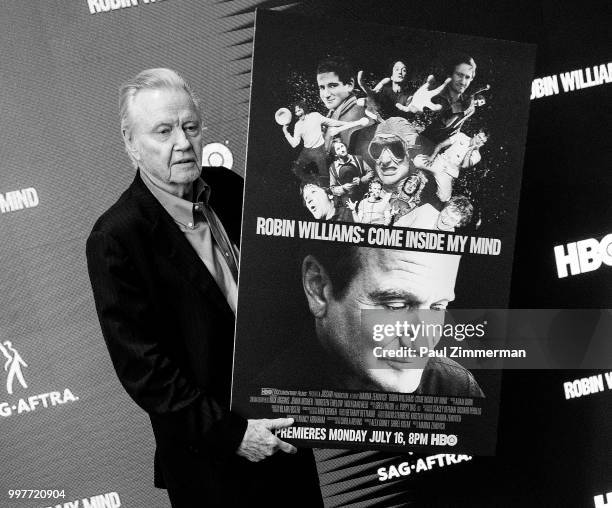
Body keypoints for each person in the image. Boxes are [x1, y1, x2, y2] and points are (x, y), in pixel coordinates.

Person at [86, 68, 322, 508]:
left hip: (284, 439)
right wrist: (234, 435)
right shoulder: (116, 238)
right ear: (130, 142)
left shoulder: (231, 189)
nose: (182, 142)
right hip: (211, 465)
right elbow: (146, 371)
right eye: (163, 130)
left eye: (190, 127)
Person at [260, 245, 483, 397]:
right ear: (317, 288)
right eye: (396, 306)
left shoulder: (456, 387)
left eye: (437, 307)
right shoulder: (267, 396)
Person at [282, 101, 366, 182]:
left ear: (304, 109)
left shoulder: (315, 116)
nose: (298, 113)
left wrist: (346, 123)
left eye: (299, 110)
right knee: (296, 169)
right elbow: (294, 144)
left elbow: (331, 122)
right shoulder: (297, 125)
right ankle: (314, 183)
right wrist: (286, 132)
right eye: (296, 112)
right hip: (307, 151)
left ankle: (330, 189)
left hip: (319, 149)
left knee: (325, 175)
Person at [316, 56, 373, 157]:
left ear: (350, 85)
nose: (326, 94)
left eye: (332, 86)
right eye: (322, 87)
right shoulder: (332, 115)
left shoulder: (358, 113)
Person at [419, 55, 479, 147]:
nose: (463, 82)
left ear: (471, 79)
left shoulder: (468, 106)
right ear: (451, 73)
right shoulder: (433, 92)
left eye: (467, 77)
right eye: (459, 75)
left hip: (434, 149)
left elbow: (456, 125)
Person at [414, 129, 487, 202]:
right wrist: (432, 157)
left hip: (448, 173)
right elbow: (441, 145)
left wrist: (471, 150)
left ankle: (429, 189)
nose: (479, 141)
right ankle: (425, 176)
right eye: (479, 137)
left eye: (482, 141)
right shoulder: (461, 136)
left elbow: (464, 166)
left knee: (444, 198)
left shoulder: (477, 156)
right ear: (475, 134)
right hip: (439, 162)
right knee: (417, 161)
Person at [328, 138, 374, 204]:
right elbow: (332, 188)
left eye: (342, 146)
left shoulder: (358, 159)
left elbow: (371, 172)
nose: (342, 150)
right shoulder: (332, 168)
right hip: (348, 200)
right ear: (335, 154)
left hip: (364, 195)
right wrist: (343, 188)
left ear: (346, 147)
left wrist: (361, 180)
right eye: (338, 149)